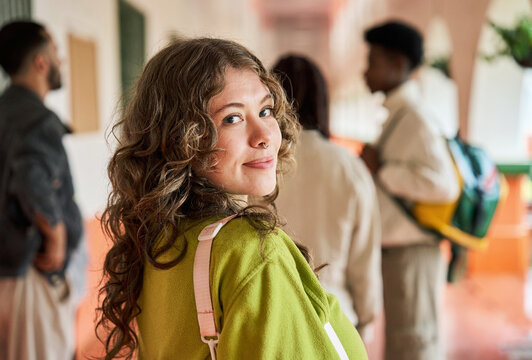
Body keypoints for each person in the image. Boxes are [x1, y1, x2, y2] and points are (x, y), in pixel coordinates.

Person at [98, 38, 368, 359]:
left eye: (265, 110)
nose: (266, 135)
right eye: (232, 118)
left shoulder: (159, 240)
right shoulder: (252, 251)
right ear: (181, 139)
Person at [361, 20, 459, 360]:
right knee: (405, 339)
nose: (365, 70)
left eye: (372, 61)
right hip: (401, 250)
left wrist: (383, 171)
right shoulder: (399, 114)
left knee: (415, 342)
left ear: (398, 65)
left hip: (413, 249)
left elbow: (443, 186)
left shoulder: (415, 118)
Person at [272, 54, 382, 344]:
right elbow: (364, 259)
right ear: (323, 103)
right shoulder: (350, 169)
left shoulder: (257, 167)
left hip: (270, 319)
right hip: (336, 319)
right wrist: (366, 320)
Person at [0, 21, 82, 359]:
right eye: (56, 51)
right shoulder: (37, 119)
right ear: (41, 62)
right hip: (30, 275)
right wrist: (56, 233)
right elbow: (32, 178)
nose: (62, 60)